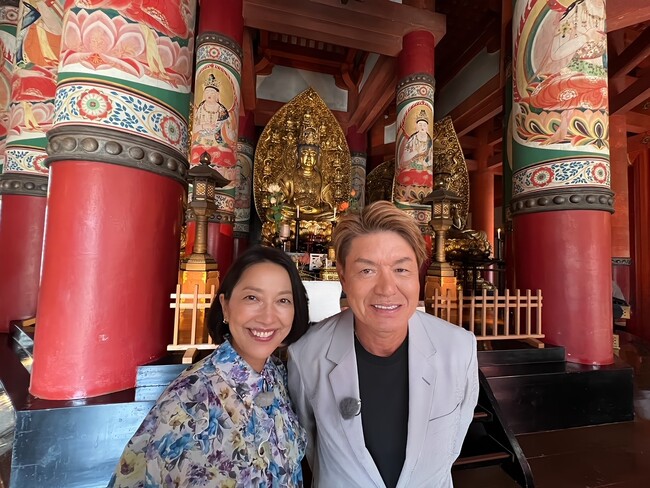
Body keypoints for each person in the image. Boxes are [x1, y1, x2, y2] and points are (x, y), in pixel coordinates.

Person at [288, 201, 479, 488]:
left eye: (401, 269)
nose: (387, 288)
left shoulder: (458, 349)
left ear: (418, 273)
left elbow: (452, 443)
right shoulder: (307, 356)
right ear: (343, 277)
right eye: (367, 271)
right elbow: (313, 451)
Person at [108, 246, 310, 487]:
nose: (268, 317)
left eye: (283, 300)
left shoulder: (278, 376)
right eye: (252, 298)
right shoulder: (187, 402)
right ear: (225, 306)